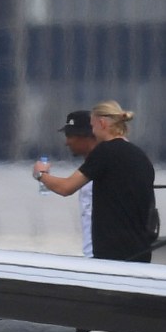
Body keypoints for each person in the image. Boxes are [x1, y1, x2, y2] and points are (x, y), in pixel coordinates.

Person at [33, 100, 156, 263]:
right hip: (139, 252)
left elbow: (66, 188)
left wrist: (40, 174)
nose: (92, 131)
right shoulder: (140, 156)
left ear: (102, 123)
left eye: (92, 126)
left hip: (110, 255)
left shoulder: (105, 151)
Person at [58, 110, 98, 257]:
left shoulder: (103, 164)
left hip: (103, 256)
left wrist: (40, 175)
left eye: (70, 136)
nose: (66, 142)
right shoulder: (89, 166)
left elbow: (65, 188)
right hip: (92, 254)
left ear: (86, 136)